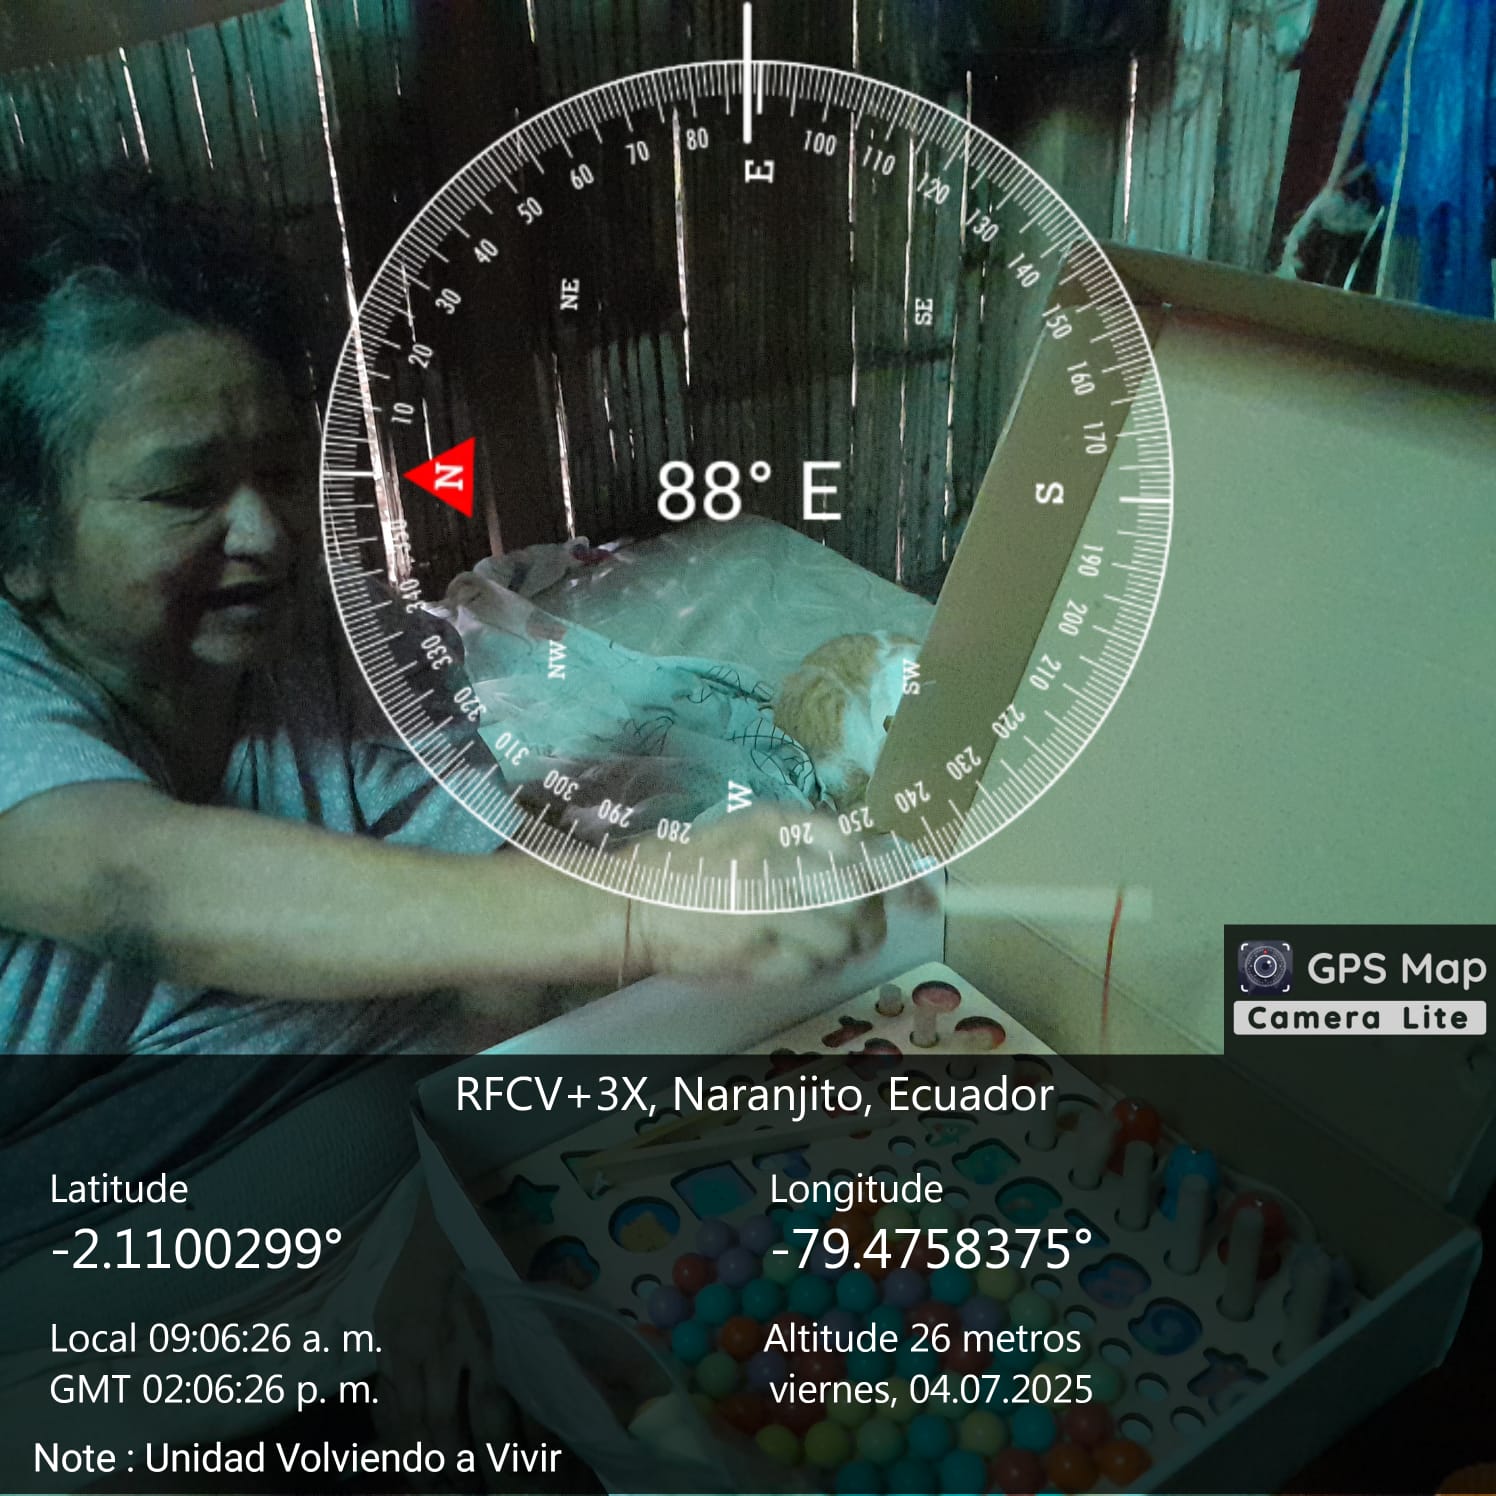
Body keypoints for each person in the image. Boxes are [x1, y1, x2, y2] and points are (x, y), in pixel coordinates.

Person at [0, 178, 888, 1480]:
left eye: (279, 473)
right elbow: (137, 881)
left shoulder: (320, 652)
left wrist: (443, 1219)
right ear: (21, 544)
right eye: (185, 491)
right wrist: (637, 907)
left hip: (308, 1167)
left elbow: (509, 897)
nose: (263, 533)